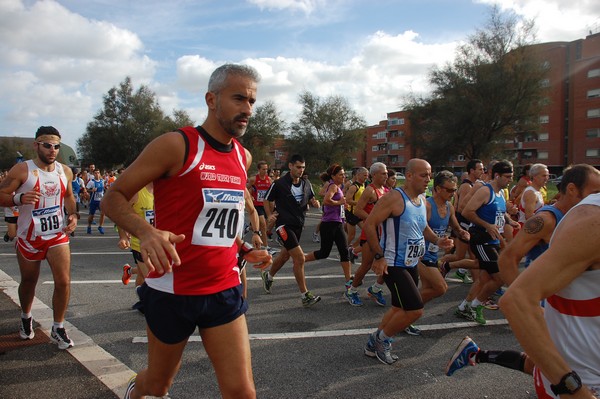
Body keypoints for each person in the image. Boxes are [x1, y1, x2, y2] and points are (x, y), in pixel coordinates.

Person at [102, 64, 271, 399]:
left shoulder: (243, 156)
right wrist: (146, 232)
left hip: (223, 290)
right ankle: (136, 390)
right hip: (171, 291)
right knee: (158, 385)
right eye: (239, 98)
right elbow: (113, 197)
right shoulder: (176, 145)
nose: (247, 109)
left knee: (242, 392)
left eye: (252, 101)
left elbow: (217, 221)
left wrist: (241, 250)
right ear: (212, 99)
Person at [362, 159, 453, 364]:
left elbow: (423, 227)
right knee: (415, 309)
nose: (428, 179)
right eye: (424, 175)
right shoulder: (394, 198)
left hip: (411, 262)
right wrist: (379, 256)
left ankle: (372, 343)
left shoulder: (421, 199)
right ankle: (382, 340)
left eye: (430, 175)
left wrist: (439, 240)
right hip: (394, 263)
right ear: (409, 175)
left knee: (398, 308)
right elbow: (370, 225)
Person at [0, 126, 78, 349]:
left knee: (63, 281)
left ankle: (58, 326)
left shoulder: (65, 171)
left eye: (56, 146)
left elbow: (69, 197)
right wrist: (19, 199)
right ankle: (26, 317)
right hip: (28, 235)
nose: (52, 150)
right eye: (47, 145)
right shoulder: (22, 170)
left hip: (56, 235)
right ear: (36, 145)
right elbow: (2, 194)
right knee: (29, 281)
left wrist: (72, 215)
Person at [499, 164, 600, 285]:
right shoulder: (546, 219)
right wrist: (519, 298)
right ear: (572, 189)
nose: (597, 197)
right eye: (595, 193)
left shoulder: (580, 216)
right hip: (547, 297)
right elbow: (507, 259)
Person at [455, 160, 519, 325]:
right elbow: (467, 211)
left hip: (493, 238)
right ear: (497, 175)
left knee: (484, 279)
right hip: (481, 238)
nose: (510, 180)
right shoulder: (485, 191)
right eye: (507, 176)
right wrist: (487, 225)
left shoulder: (500, 193)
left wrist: (509, 221)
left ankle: (464, 307)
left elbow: (500, 212)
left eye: (511, 176)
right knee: (499, 277)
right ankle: (477, 305)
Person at [261, 154, 321, 307]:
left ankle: (268, 275)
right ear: (290, 166)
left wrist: (314, 202)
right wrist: (269, 216)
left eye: (303, 167)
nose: (300, 170)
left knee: (285, 255)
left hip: (298, 225)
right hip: (283, 225)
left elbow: (311, 198)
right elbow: (267, 199)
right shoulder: (280, 183)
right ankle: (305, 295)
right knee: (299, 258)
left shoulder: (306, 183)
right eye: (298, 167)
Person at [344, 162, 389, 307]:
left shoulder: (387, 190)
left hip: (385, 233)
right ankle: (352, 291)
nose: (386, 175)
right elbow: (357, 211)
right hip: (371, 233)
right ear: (374, 175)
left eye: (387, 173)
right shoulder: (370, 190)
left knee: (389, 263)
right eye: (383, 173)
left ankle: (376, 289)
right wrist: (373, 220)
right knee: (367, 265)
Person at [304, 164, 352, 287]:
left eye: (344, 174)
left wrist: (342, 205)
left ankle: (349, 281)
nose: (344, 176)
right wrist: (340, 202)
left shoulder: (338, 186)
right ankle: (301, 260)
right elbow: (326, 200)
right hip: (329, 224)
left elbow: (334, 202)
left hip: (337, 223)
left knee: (344, 251)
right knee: (324, 252)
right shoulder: (333, 186)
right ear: (333, 176)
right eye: (341, 174)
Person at [117, 182, 155, 313]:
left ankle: (130, 273)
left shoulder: (164, 191)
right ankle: (146, 303)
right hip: (140, 244)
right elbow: (120, 214)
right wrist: (123, 236)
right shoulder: (138, 193)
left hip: (157, 244)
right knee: (151, 277)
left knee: (143, 274)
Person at [452, 159, 484, 284]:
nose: (482, 171)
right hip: (464, 224)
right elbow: (461, 208)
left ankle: (477, 286)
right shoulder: (466, 186)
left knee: (473, 256)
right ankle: (439, 264)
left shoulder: (476, 185)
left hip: (470, 225)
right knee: (458, 256)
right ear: (472, 170)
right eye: (480, 169)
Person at [247, 161, 273, 252]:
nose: (265, 171)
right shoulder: (254, 179)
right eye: (263, 169)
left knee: (263, 226)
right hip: (257, 205)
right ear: (259, 170)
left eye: (266, 169)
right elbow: (246, 188)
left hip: (265, 206)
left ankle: (249, 227)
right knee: (263, 224)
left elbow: (271, 192)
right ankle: (265, 246)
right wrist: (249, 196)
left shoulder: (269, 180)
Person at [344, 166, 368, 259]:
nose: (366, 177)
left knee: (366, 231)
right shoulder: (354, 187)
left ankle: (352, 248)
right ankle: (344, 250)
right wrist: (360, 203)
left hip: (359, 213)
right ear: (358, 175)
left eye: (367, 175)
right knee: (351, 235)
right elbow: (348, 200)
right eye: (364, 175)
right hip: (352, 213)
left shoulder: (364, 185)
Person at [86, 169, 106, 234]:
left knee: (103, 214)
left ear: (99, 173)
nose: (97, 174)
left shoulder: (102, 181)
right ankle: (89, 226)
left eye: (98, 173)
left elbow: (104, 189)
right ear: (93, 174)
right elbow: (86, 189)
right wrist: (92, 190)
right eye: (95, 173)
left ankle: (100, 226)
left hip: (101, 201)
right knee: (91, 215)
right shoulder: (91, 182)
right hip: (93, 201)